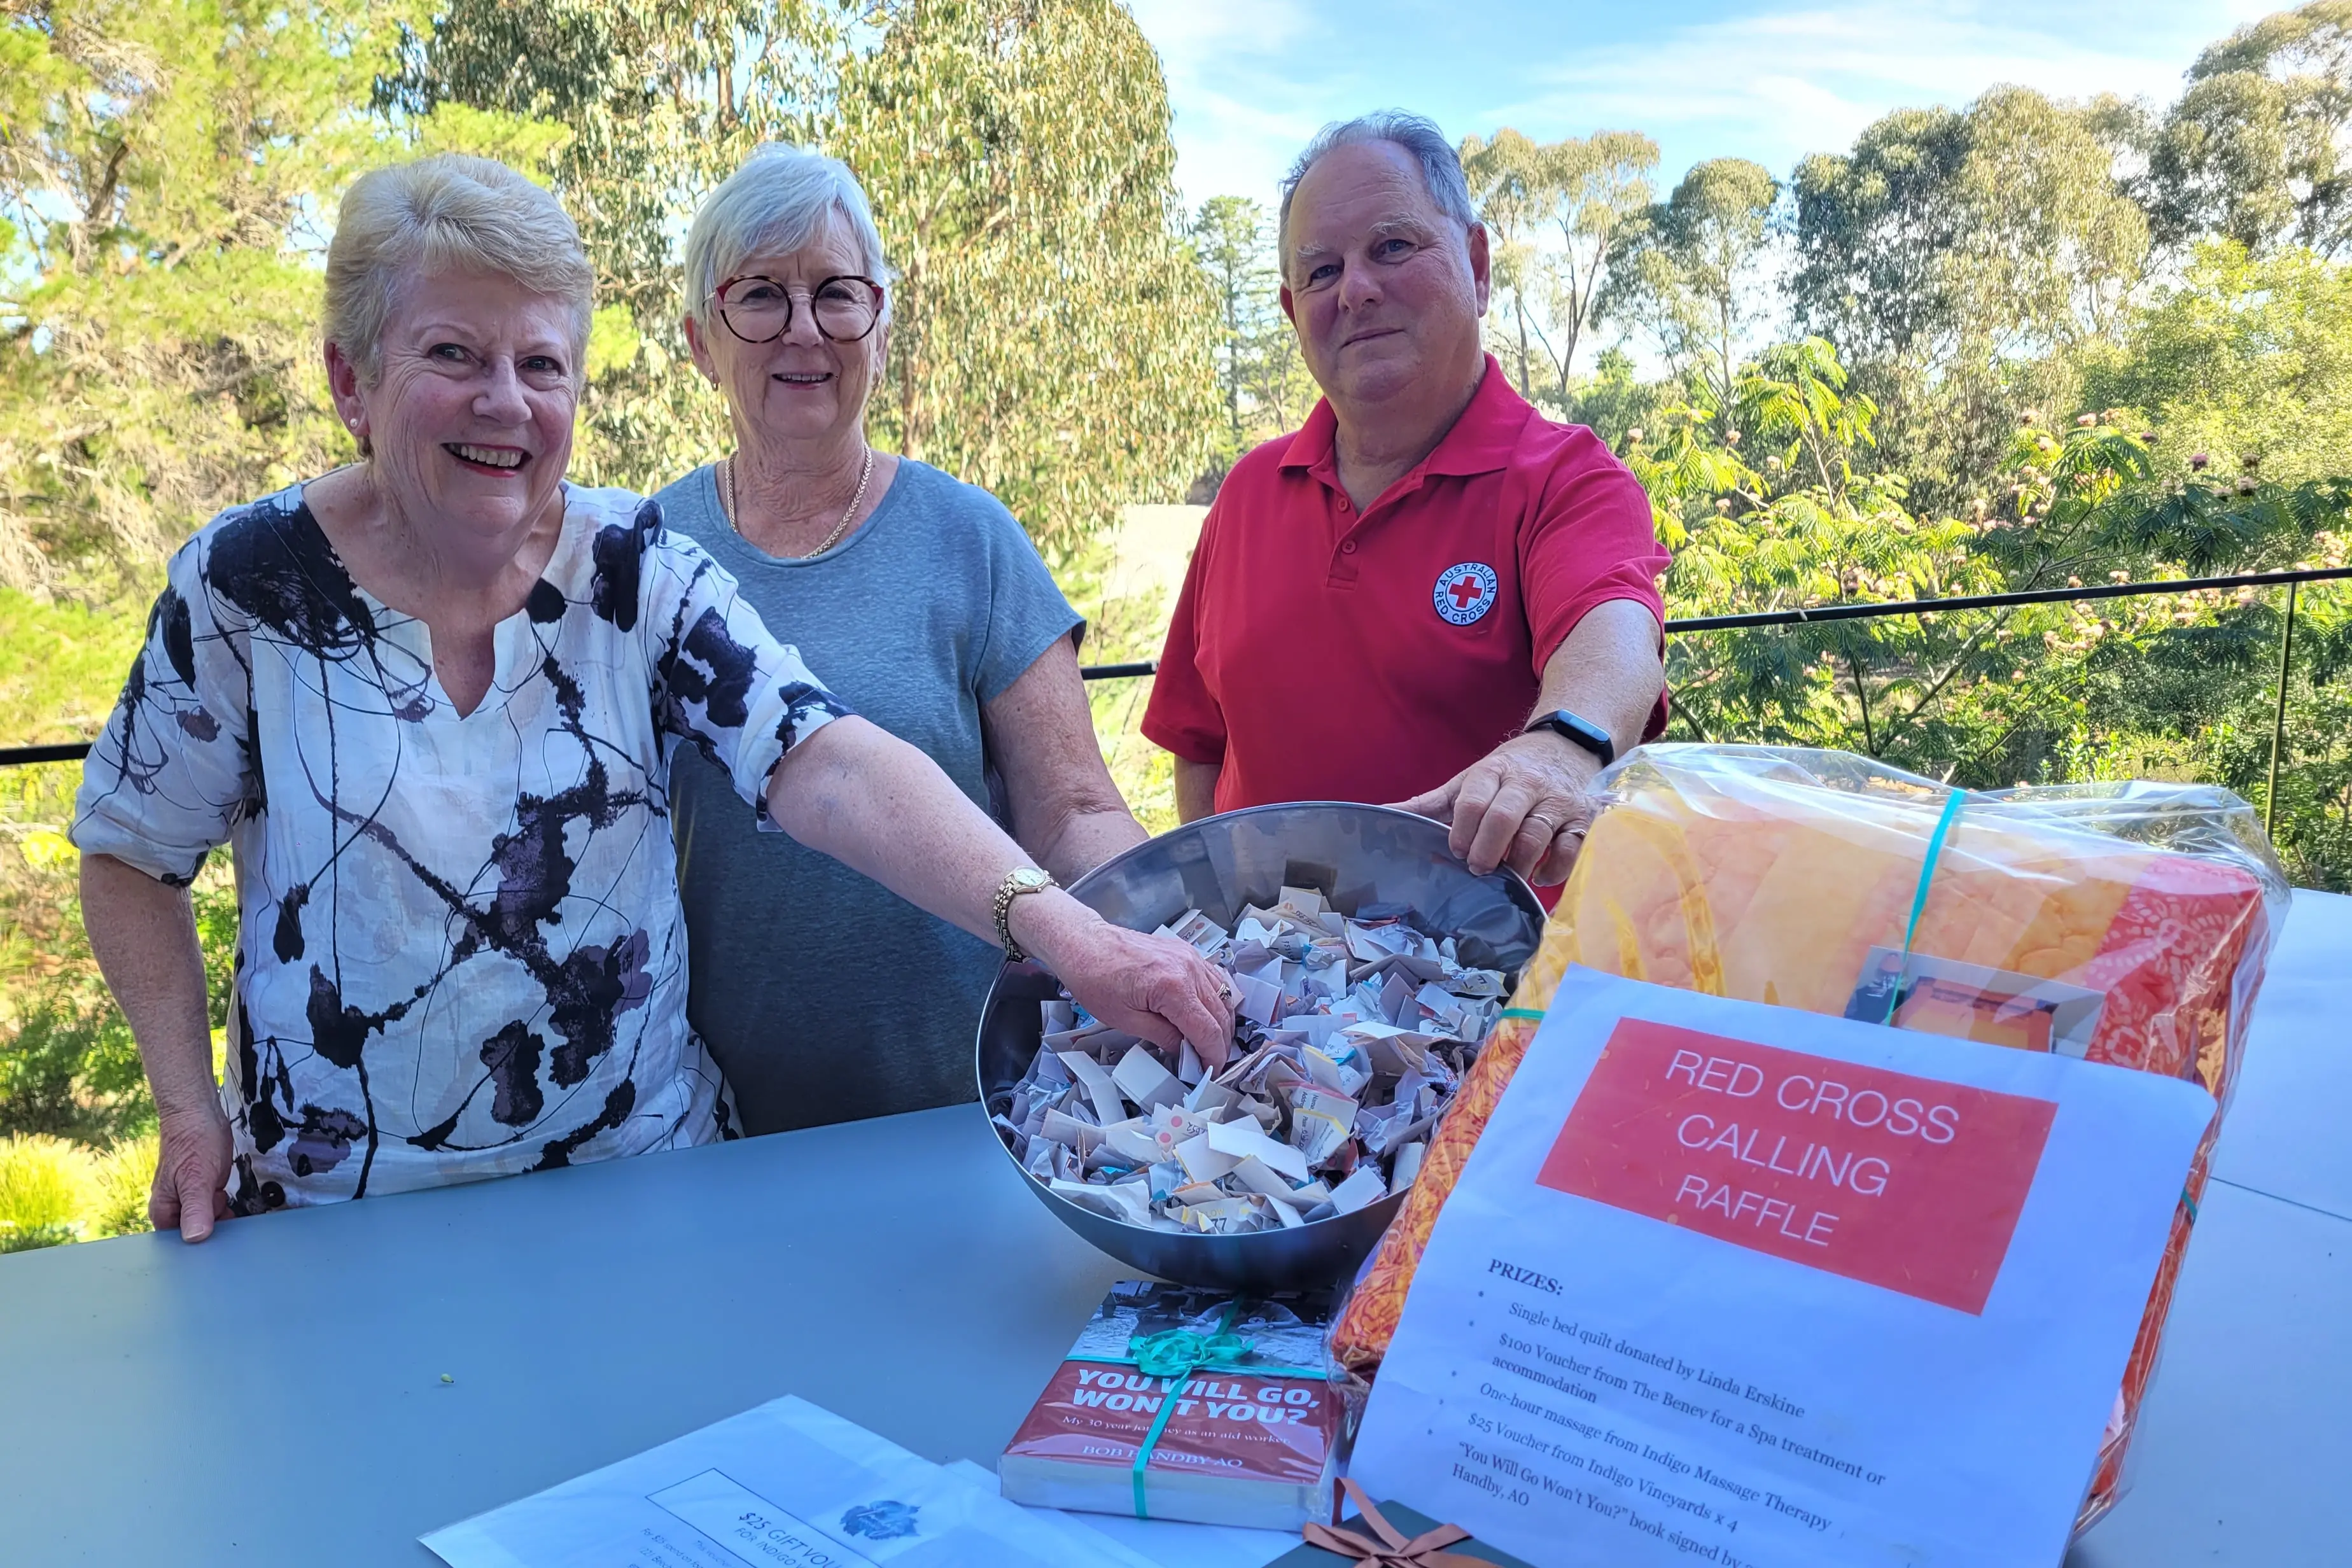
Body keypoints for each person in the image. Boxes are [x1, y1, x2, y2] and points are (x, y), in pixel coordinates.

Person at [71, 154, 1232, 1241]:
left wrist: (1073, 932)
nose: (506, 402)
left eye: (540, 364)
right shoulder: (246, 585)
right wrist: (186, 1108)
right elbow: (131, 848)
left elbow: (823, 761)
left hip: (637, 1192)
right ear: (351, 380)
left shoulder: (629, 562)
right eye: (452, 356)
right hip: (339, 1215)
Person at [653, 145, 1149, 1134]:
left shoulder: (969, 539)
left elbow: (1074, 810)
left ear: (879, 327)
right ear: (701, 340)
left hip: (977, 1106)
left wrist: (1166, 938)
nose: (804, 329)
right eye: (760, 296)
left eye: (838, 293)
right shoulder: (647, 556)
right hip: (722, 1133)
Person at [1143, 111, 1670, 891]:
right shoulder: (1248, 493)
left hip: (1494, 990)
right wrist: (1224, 903)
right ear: (1294, 314)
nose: (1355, 290)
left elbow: (1616, 631)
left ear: (1478, 266)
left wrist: (1561, 744)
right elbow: (1199, 741)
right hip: (1274, 992)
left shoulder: (1568, 479)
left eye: (1392, 247)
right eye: (1320, 272)